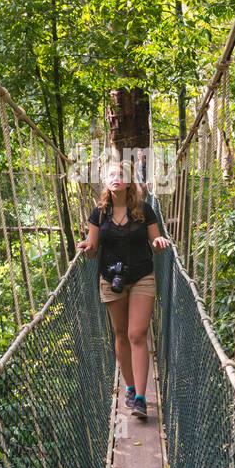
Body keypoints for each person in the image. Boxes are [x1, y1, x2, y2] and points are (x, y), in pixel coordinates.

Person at [78, 160, 170, 422]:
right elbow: (93, 250)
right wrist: (87, 248)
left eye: (121, 175)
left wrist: (160, 243)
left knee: (136, 334)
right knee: (120, 334)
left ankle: (140, 398)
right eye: (111, 175)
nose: (115, 178)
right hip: (110, 278)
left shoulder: (144, 210)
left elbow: (155, 243)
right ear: (106, 182)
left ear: (129, 182)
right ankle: (130, 387)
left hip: (142, 275)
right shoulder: (99, 213)